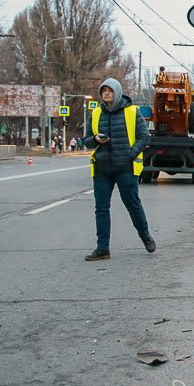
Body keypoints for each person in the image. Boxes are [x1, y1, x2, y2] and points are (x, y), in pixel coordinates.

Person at [83, 78, 155, 261]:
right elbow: (87, 141)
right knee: (101, 208)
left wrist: (130, 154)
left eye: (109, 91)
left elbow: (144, 138)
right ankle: (102, 248)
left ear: (117, 92)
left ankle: (145, 236)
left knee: (133, 205)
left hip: (125, 168)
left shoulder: (132, 112)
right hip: (102, 168)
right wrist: (96, 139)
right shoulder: (96, 113)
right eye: (103, 91)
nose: (106, 94)